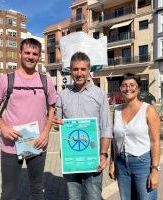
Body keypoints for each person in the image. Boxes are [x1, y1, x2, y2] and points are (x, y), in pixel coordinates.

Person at [0, 38, 57, 200]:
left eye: (35, 54)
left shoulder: (45, 81)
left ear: (39, 56)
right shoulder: (6, 80)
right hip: (11, 145)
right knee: (9, 193)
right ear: (20, 53)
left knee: (37, 190)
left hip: (37, 142)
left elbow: (52, 108)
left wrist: (46, 132)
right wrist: (3, 127)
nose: (31, 56)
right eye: (27, 52)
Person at [53, 52, 112, 200]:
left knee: (93, 197)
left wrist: (104, 154)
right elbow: (57, 123)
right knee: (74, 197)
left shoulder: (99, 94)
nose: (79, 73)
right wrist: (56, 123)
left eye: (83, 69)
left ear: (89, 70)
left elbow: (106, 127)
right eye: (75, 69)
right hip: (70, 156)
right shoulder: (63, 95)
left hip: (93, 156)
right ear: (70, 70)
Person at [108, 73, 161, 200]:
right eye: (124, 86)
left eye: (132, 85)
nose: (128, 89)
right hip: (121, 163)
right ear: (120, 88)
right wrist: (112, 162)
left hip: (142, 163)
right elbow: (114, 139)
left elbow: (155, 142)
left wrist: (155, 170)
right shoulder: (117, 110)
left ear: (138, 88)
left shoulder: (148, 110)